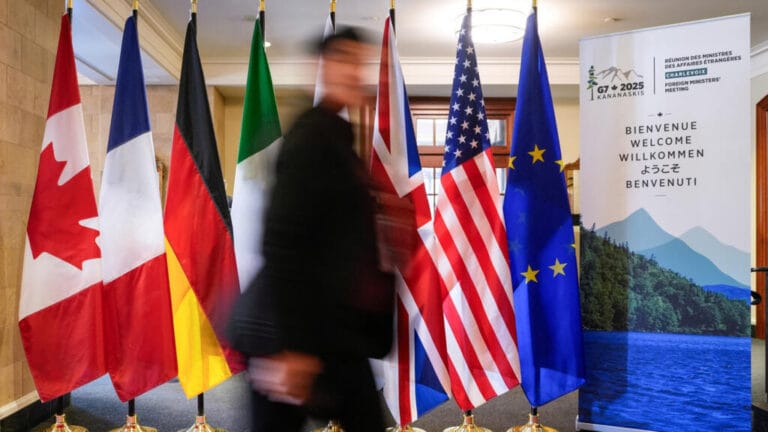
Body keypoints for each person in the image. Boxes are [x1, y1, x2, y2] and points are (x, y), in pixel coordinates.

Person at [228, 28, 395, 432]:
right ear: (321, 68)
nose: (353, 72)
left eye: (358, 62)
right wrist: (292, 348)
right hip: (292, 337)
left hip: (333, 332)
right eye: (343, 61)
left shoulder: (338, 139)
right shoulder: (311, 138)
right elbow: (282, 243)